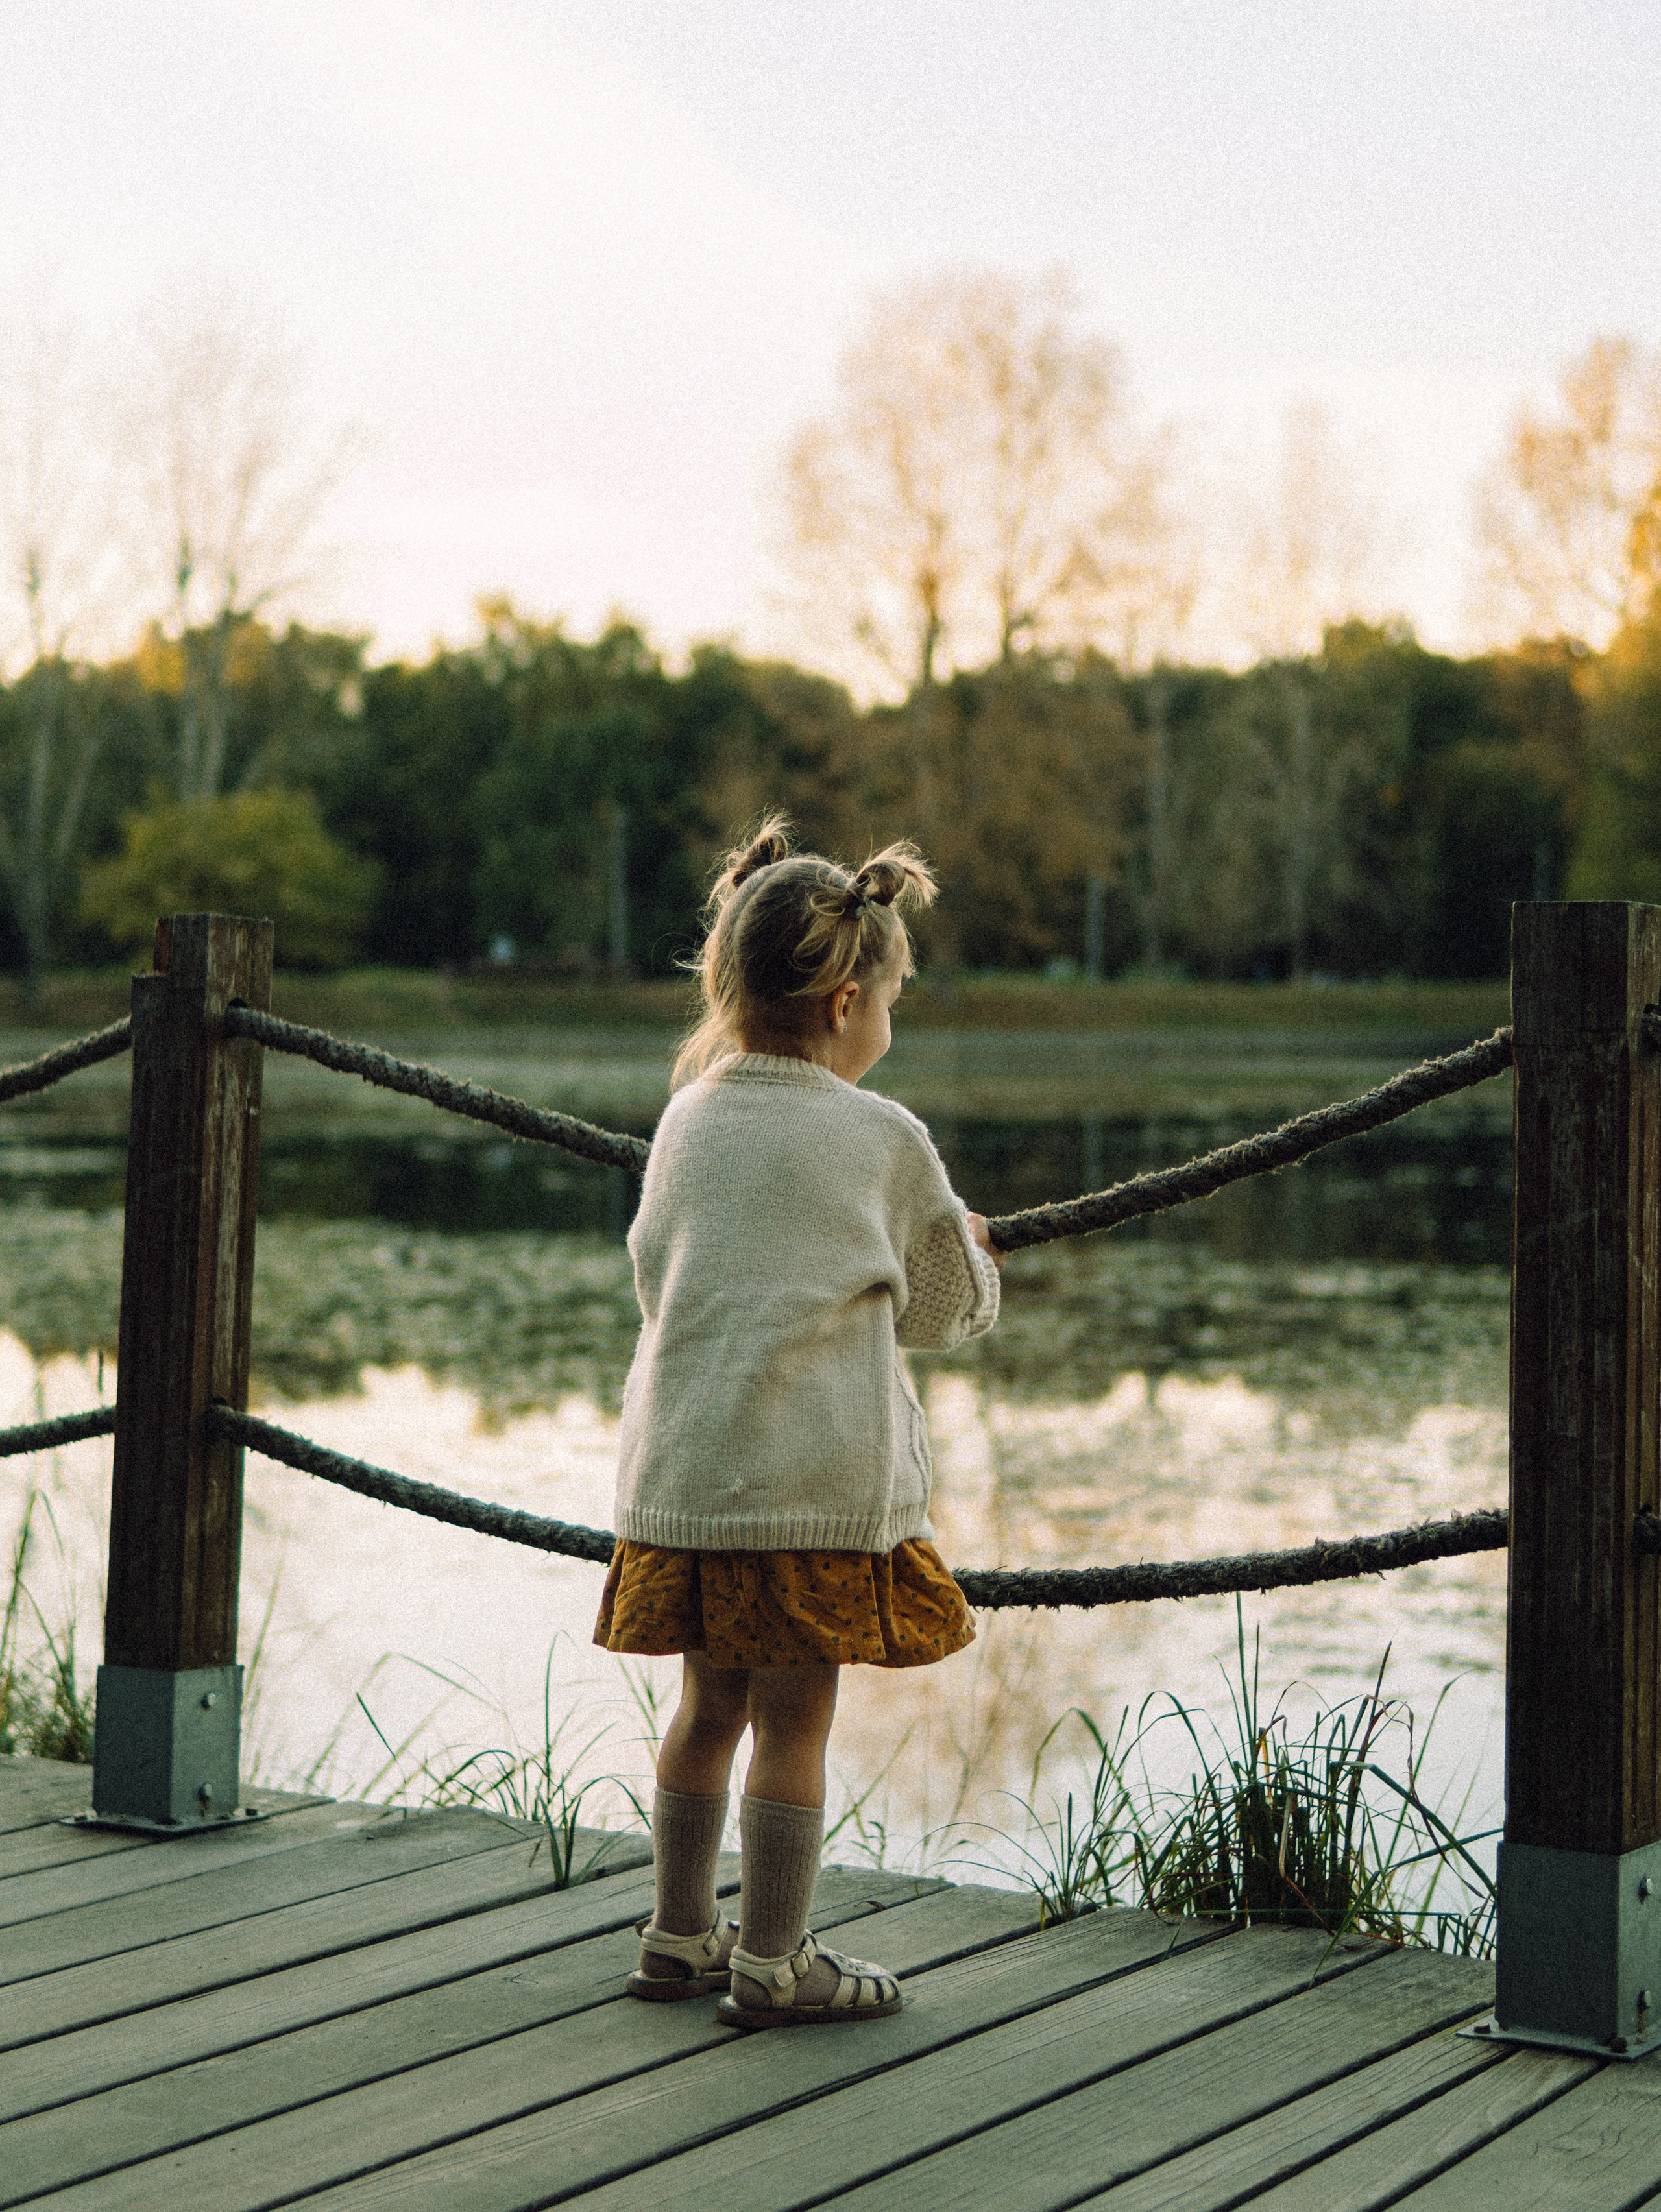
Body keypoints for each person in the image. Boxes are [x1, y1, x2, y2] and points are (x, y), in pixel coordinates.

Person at [594, 817, 1004, 2028]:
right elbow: (942, 1308)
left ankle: (676, 1935)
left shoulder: (686, 1119)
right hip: (808, 1487)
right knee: (795, 1716)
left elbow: (654, 1269)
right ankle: (776, 1961)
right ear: (840, 1003)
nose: (890, 1023)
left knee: (705, 1707)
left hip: (685, 1477)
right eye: (890, 999)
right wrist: (973, 1249)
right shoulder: (881, 1136)